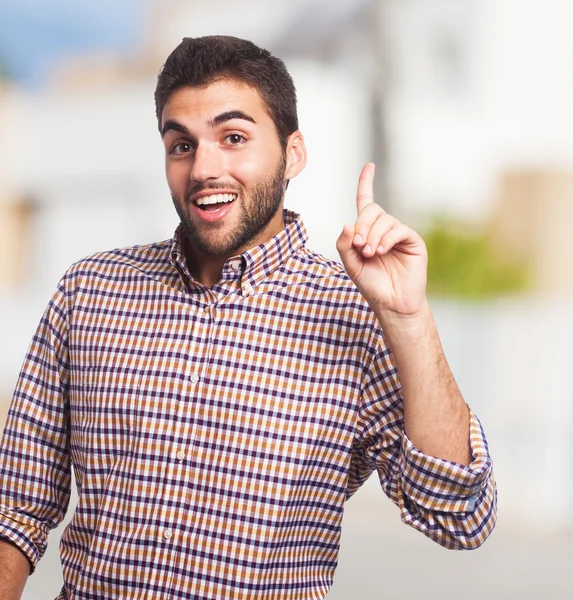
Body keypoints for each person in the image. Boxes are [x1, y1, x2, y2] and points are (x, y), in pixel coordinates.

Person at [0, 36, 496, 600]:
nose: (204, 168)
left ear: (294, 153)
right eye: (181, 145)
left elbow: (460, 517)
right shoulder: (89, 291)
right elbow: (15, 505)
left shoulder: (358, 313)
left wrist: (408, 318)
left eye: (233, 138)